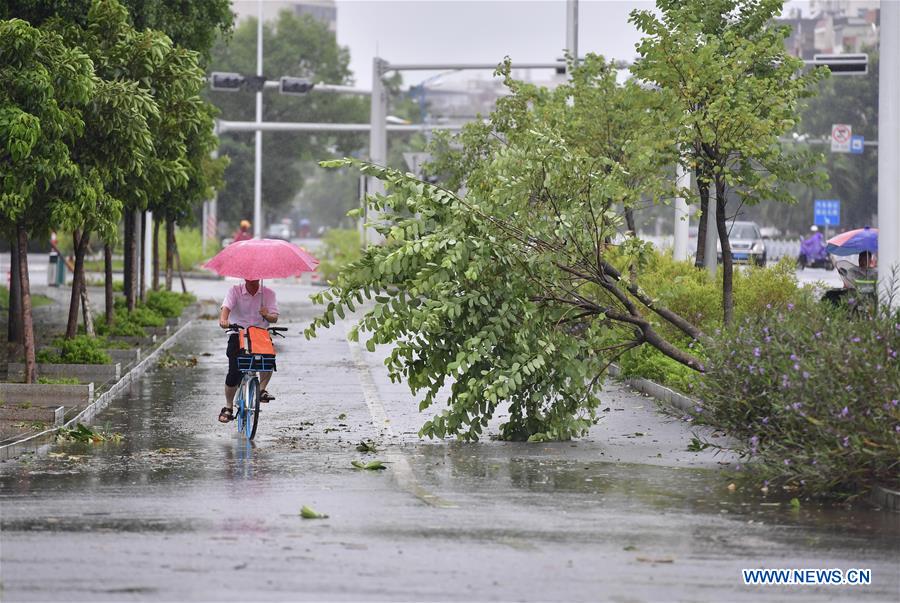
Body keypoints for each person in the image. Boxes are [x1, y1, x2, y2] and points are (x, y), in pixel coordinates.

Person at [217, 279, 279, 423]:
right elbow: (225, 308)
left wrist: (266, 315)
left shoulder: (269, 293)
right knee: (234, 370)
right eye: (248, 276)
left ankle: (262, 389)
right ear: (244, 277)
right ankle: (228, 406)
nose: (251, 279)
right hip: (237, 332)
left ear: (259, 276)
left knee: (268, 360)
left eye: (255, 276)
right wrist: (223, 320)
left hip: (260, 335)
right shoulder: (235, 291)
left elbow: (274, 318)